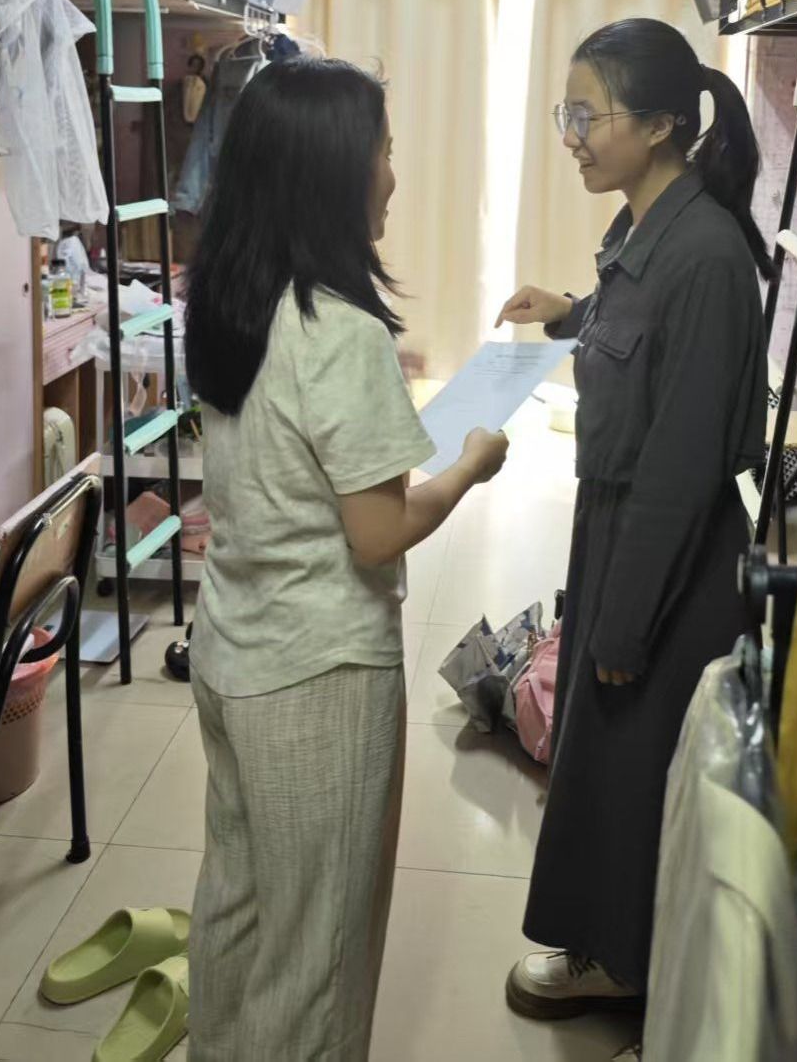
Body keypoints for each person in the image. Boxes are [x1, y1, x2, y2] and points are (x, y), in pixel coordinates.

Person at [184, 55, 509, 1062]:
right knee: (317, 950)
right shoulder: (339, 326)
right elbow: (378, 530)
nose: (393, 175)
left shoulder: (230, 297)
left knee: (239, 901)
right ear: (329, 170)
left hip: (233, 648)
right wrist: (468, 467)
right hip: (318, 674)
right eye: (383, 151)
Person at [496, 18, 771, 1042]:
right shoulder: (645, 229)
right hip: (620, 528)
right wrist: (570, 310)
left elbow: (682, 465)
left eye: (588, 115)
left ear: (657, 126)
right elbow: (637, 328)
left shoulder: (706, 255)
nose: (572, 136)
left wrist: (624, 618)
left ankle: (647, 983)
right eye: (565, 113)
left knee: (640, 756)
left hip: (670, 549)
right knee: (606, 752)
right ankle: (614, 952)